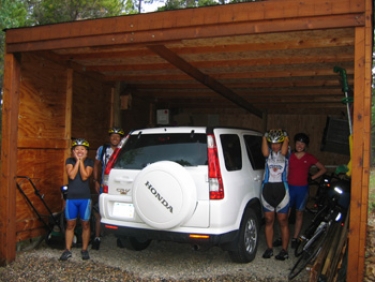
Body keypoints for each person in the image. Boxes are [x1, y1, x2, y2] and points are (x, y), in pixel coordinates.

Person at [286, 132, 327, 248]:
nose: (299, 145)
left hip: (302, 189)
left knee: (299, 214)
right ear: (295, 143)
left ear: (305, 146)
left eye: (302, 144)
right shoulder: (290, 156)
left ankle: (295, 238)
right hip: (289, 188)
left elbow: (323, 169)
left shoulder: (309, 157)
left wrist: (312, 178)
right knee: (286, 214)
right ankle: (284, 235)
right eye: (298, 143)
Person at [60, 138, 94, 261]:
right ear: (73, 151)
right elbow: (72, 175)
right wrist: (78, 161)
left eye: (82, 149)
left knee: (85, 224)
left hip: (85, 198)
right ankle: (67, 250)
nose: (80, 151)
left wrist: (81, 162)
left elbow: (85, 176)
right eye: (77, 149)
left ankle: (84, 249)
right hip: (71, 198)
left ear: (86, 151)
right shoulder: (69, 161)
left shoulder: (89, 162)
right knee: (70, 224)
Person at [91, 127, 125, 250]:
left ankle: (121, 237)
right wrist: (95, 181)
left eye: (118, 136)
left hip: (119, 183)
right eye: (113, 136)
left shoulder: (124, 149)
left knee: (121, 209)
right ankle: (97, 237)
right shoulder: (102, 149)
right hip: (104, 184)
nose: (115, 138)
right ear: (109, 138)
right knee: (100, 210)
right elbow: (96, 164)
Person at [261, 129, 290, 260]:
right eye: (272, 143)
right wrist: (264, 137)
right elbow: (265, 151)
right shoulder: (269, 154)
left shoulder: (287, 152)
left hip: (282, 189)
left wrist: (286, 137)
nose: (275, 146)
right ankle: (269, 248)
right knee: (269, 220)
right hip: (267, 189)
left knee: (283, 221)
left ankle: (284, 250)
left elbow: (283, 152)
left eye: (277, 143)